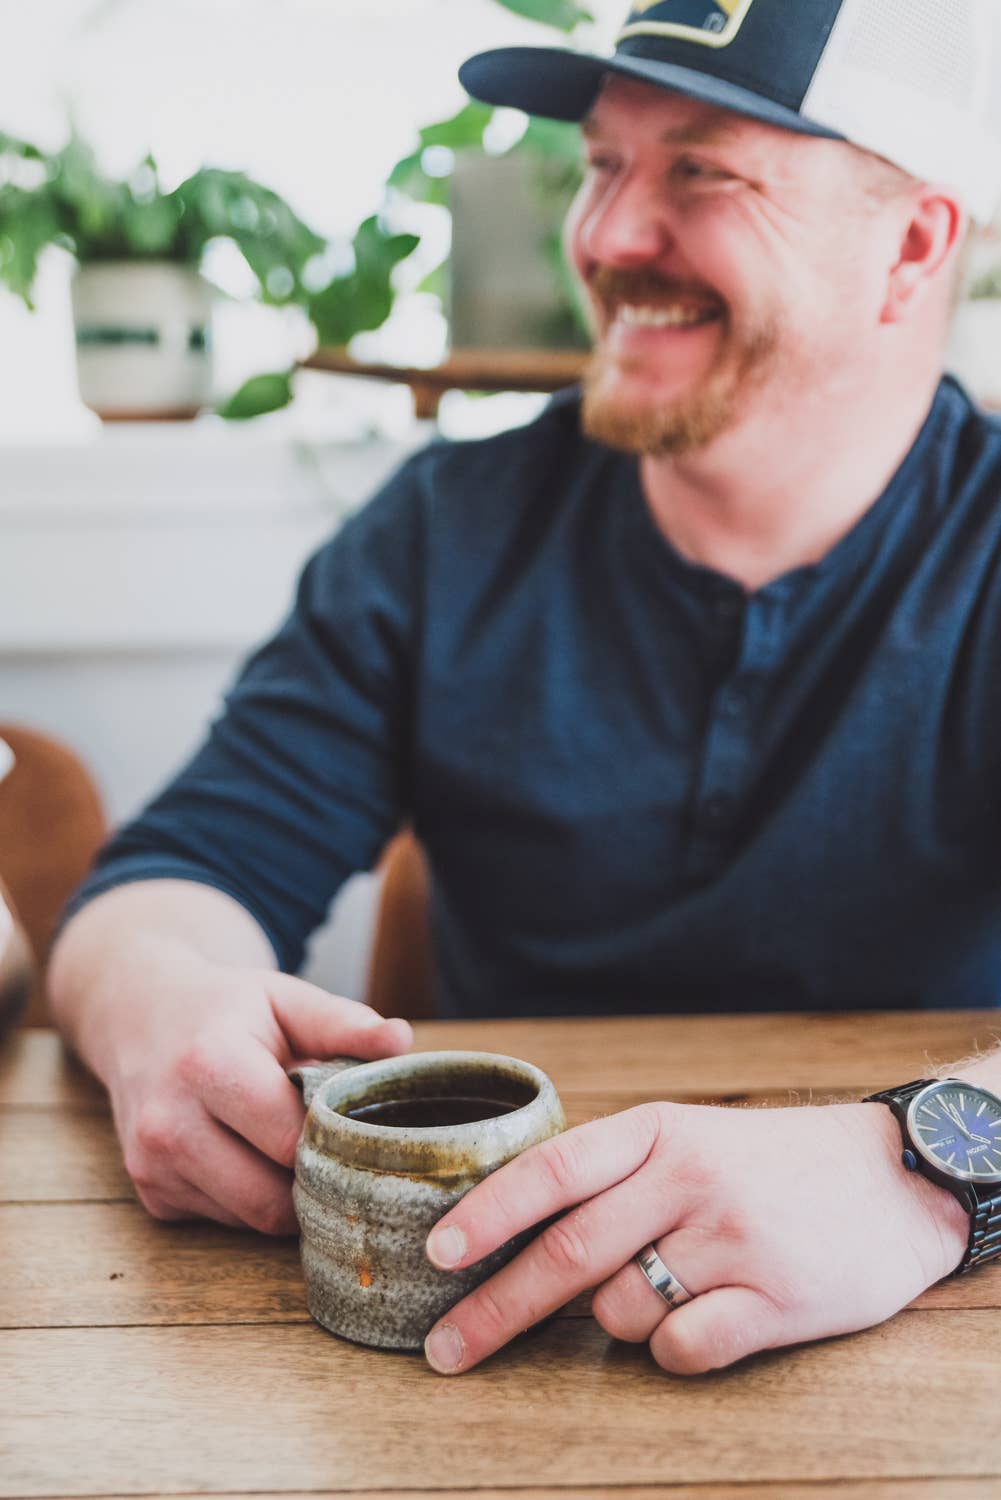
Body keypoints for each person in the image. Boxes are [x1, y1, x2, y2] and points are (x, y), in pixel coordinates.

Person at [49, 0, 1001, 1377]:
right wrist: (158, 1007)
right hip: (464, 1343)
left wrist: (916, 1169)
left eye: (700, 171)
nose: (606, 238)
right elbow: (173, 876)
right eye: (602, 165)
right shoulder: (445, 532)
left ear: (911, 245)